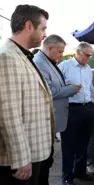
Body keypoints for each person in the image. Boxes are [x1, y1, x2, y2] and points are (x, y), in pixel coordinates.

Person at [0, 5, 53, 185]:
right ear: (29, 26)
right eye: (43, 28)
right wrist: (21, 159)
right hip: (21, 160)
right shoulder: (7, 57)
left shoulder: (21, 55)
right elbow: (8, 113)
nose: (45, 34)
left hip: (34, 151)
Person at [33, 35, 81, 185]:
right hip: (46, 119)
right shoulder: (40, 63)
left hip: (52, 118)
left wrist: (66, 84)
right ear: (49, 48)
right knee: (44, 162)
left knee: (47, 160)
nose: (61, 55)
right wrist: (70, 89)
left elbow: (54, 84)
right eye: (60, 51)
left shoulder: (48, 61)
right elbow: (49, 92)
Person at [58, 42, 94, 185]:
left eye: (91, 55)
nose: (89, 58)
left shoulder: (87, 69)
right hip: (71, 109)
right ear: (78, 52)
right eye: (87, 55)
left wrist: (92, 102)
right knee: (68, 145)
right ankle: (67, 176)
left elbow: (89, 88)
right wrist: (69, 88)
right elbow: (57, 87)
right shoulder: (65, 66)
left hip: (87, 109)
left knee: (83, 144)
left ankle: (80, 172)